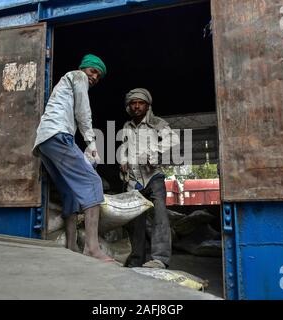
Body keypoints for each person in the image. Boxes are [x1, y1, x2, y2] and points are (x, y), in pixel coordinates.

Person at [33, 54, 112, 262]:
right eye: (93, 71)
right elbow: (83, 112)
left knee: (70, 192)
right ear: (84, 68)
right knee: (92, 181)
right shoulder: (78, 76)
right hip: (58, 135)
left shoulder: (67, 82)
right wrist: (92, 143)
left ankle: (70, 247)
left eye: (99, 75)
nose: (95, 77)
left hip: (44, 141)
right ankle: (92, 248)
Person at [119, 88, 180, 269]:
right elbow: (124, 147)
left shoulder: (157, 123)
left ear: (147, 105)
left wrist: (154, 152)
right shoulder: (127, 126)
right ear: (129, 106)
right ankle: (137, 259)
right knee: (135, 220)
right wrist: (122, 160)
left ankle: (160, 259)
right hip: (134, 179)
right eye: (133, 103)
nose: (137, 106)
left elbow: (174, 140)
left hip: (153, 176)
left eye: (141, 103)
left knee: (160, 215)